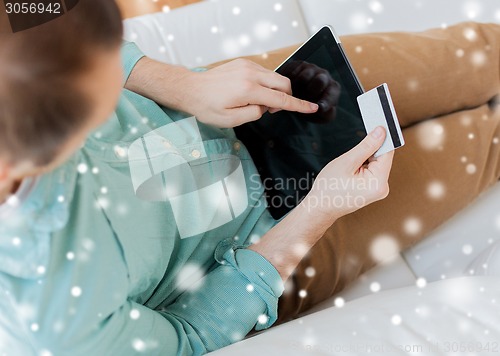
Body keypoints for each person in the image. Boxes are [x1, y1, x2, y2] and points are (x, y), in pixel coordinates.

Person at [0, 1, 497, 355]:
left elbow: (33, 12)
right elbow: (188, 336)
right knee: (487, 144)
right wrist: (319, 211)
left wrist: (175, 81)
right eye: (97, 98)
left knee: (475, 53)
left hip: (230, 102)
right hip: (273, 242)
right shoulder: (55, 321)